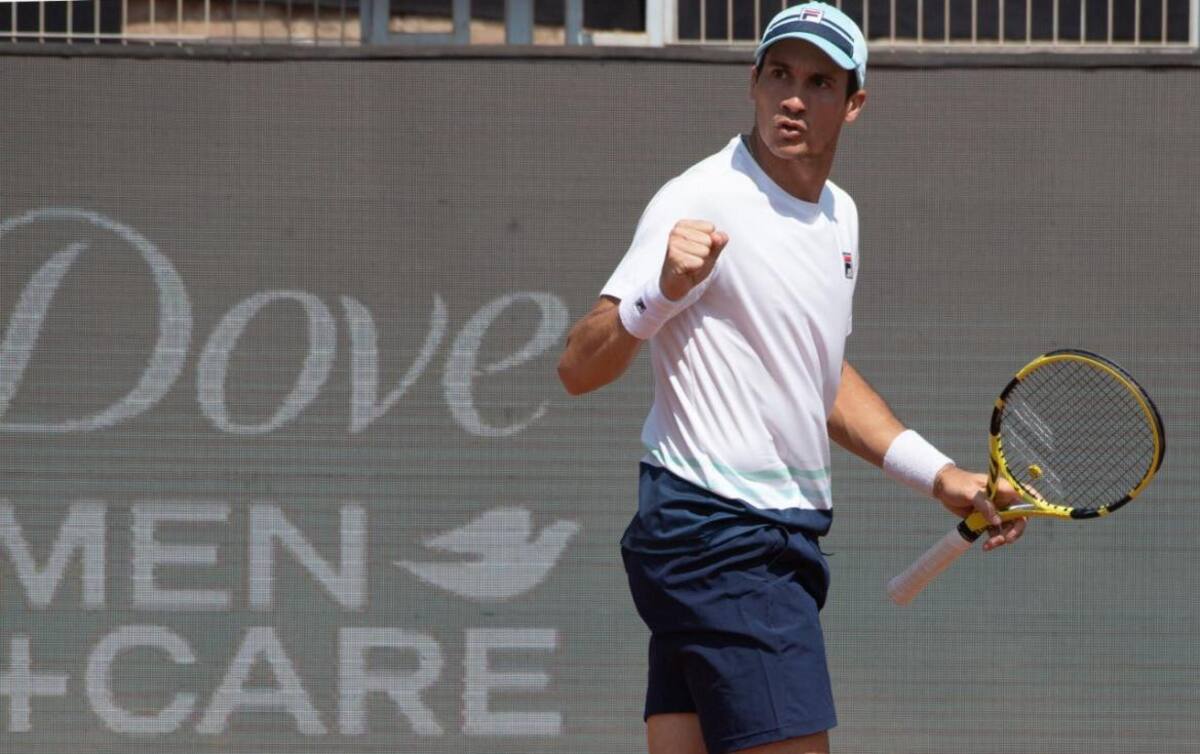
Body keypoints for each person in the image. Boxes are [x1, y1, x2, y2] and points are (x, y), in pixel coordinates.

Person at [557, 4, 1026, 753]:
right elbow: (578, 367)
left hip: (748, 539)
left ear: (854, 103)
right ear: (754, 83)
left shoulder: (840, 218)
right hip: (720, 534)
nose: (794, 98)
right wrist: (660, 295)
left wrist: (939, 475)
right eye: (779, 74)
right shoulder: (701, 197)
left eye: (819, 82)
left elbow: (819, 376)